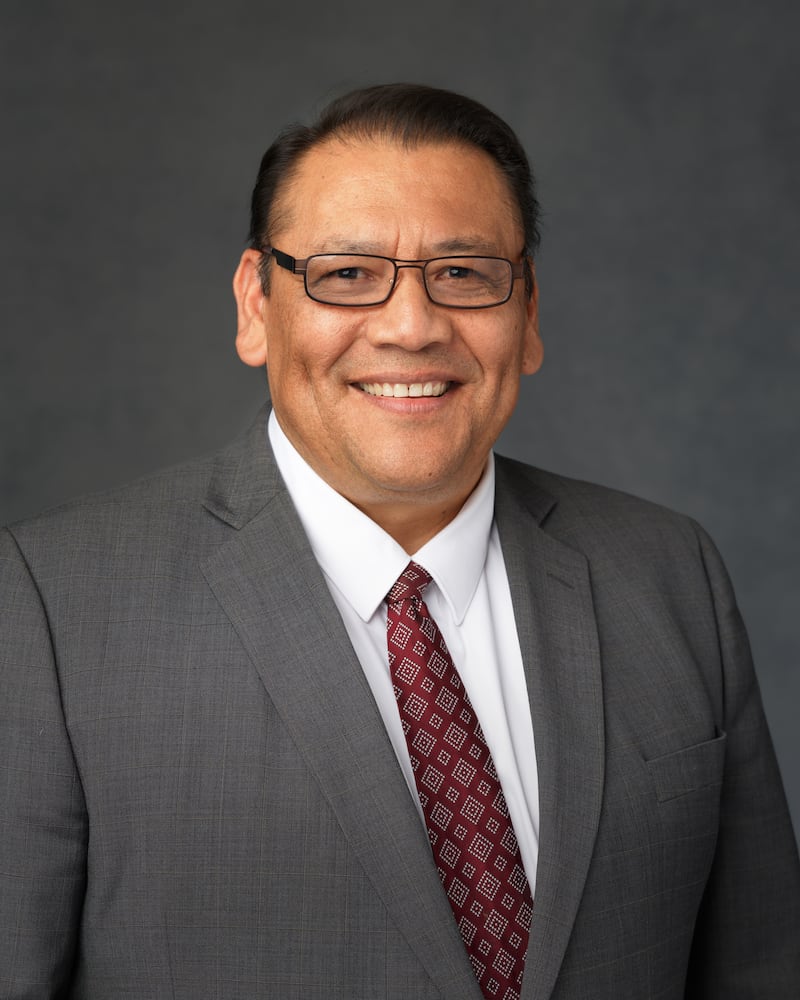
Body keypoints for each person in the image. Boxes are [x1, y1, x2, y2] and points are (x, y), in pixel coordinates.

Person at [1, 83, 798, 1000]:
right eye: (346, 274)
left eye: (463, 273)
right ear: (257, 304)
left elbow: (763, 968)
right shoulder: (50, 609)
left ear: (528, 313)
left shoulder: (668, 573)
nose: (412, 327)